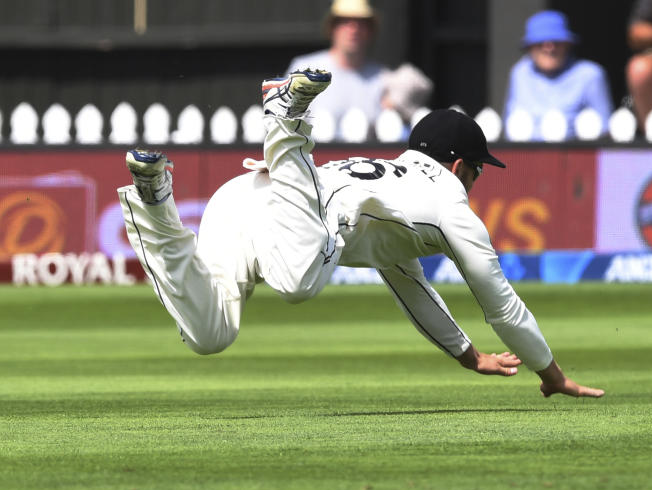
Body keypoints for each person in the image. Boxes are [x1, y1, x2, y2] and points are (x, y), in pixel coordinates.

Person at [118, 69, 604, 399]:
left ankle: (154, 201)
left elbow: (410, 284)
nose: (475, 184)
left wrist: (467, 355)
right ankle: (286, 118)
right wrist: (552, 374)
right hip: (294, 212)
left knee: (209, 334)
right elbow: (502, 305)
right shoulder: (449, 205)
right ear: (460, 167)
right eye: (477, 172)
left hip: (242, 197)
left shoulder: (396, 198)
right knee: (297, 282)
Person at [503, 10, 613, 140]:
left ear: (567, 44)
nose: (549, 48)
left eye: (556, 41)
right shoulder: (520, 73)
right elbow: (509, 125)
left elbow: (605, 129)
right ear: (529, 47)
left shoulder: (590, 74)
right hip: (525, 157)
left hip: (575, 155)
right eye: (540, 43)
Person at [285, 0, 386, 129]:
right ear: (332, 27)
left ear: (370, 31)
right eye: (345, 21)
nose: (354, 29)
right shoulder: (303, 71)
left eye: (361, 22)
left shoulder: (383, 78)